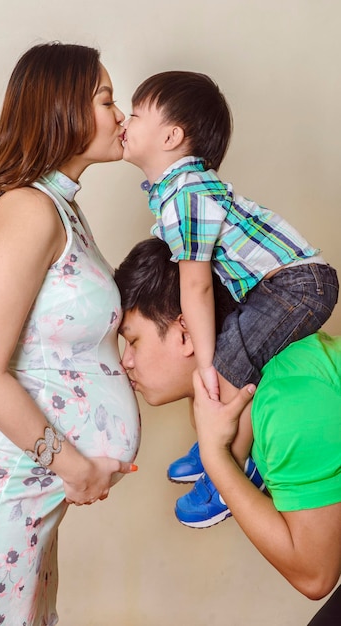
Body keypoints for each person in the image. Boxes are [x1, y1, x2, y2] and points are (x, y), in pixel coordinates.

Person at [0, 42, 141, 625]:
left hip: (24, 498)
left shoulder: (60, 206)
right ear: (61, 109)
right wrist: (74, 466)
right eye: (106, 100)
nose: (121, 116)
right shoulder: (30, 210)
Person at [121, 70, 338, 527]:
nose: (125, 120)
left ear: (172, 135)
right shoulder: (178, 191)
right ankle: (217, 450)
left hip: (296, 286)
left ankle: (228, 471)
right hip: (283, 286)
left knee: (226, 366)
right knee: (227, 360)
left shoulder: (186, 193)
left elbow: (195, 285)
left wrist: (206, 363)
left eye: (136, 114)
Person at [114, 237, 341, 602]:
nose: (125, 362)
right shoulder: (248, 397)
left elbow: (315, 576)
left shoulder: (288, 404)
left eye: (133, 341)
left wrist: (218, 461)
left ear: (186, 333)